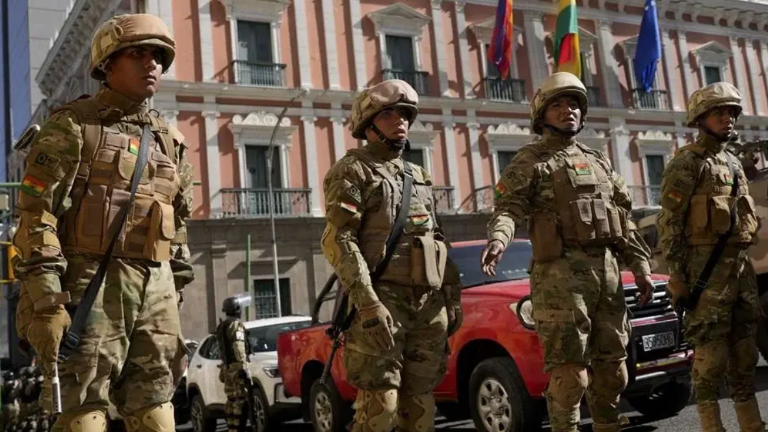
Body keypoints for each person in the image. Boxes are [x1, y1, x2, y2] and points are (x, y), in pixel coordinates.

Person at [13, 13, 195, 432]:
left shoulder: (170, 139)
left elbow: (178, 221)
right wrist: (45, 296)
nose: (152, 64)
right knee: (84, 412)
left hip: (156, 287)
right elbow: (37, 212)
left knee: (156, 408)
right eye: (138, 53)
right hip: (90, 284)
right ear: (108, 64)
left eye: (159, 57)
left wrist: (176, 285)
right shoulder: (74, 125)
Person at [480, 72, 654, 432]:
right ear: (542, 115)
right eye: (557, 105)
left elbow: (623, 219)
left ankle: (607, 424)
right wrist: (499, 239)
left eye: (573, 104)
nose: (567, 111)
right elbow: (509, 207)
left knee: (613, 370)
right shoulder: (530, 160)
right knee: (569, 375)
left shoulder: (598, 161)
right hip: (560, 279)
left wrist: (640, 268)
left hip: (606, 276)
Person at [321, 79, 463, 432]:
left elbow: (437, 238)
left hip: (427, 304)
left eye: (405, 114)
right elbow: (339, 239)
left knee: (421, 406)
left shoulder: (418, 176)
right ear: (368, 124)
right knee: (380, 407)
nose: (400, 120)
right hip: (382, 301)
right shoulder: (353, 170)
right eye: (388, 114)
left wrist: (452, 296)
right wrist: (368, 304)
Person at [656, 82, 765, 432]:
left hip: (739, 270)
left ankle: (751, 425)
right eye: (719, 112)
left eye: (732, 112)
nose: (728, 118)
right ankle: (710, 426)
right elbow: (670, 222)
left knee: (745, 353)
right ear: (700, 118)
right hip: (706, 273)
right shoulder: (687, 163)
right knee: (710, 358)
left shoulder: (732, 162)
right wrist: (677, 275)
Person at [215, 294, 253, 432]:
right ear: (237, 309)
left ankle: (232, 428)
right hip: (237, 367)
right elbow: (238, 346)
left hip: (227, 368)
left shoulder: (223, 325)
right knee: (240, 401)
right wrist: (244, 367)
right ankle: (238, 428)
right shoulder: (236, 325)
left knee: (231, 400)